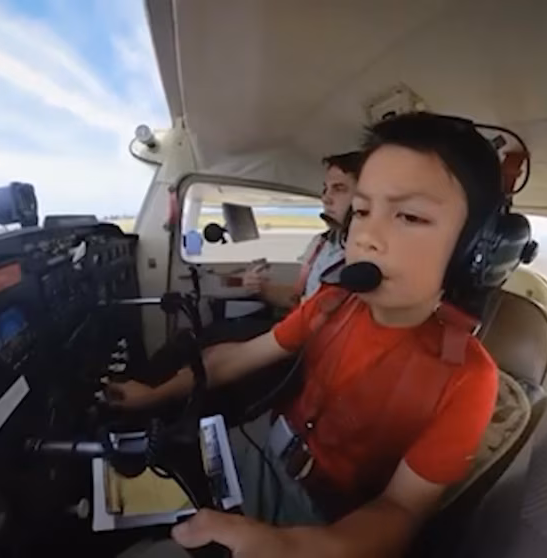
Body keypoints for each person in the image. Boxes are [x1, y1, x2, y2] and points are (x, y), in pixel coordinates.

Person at [107, 112, 502, 558]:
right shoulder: (332, 302)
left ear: (472, 252)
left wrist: (288, 546)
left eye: (409, 216)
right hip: (252, 449)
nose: (366, 237)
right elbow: (236, 358)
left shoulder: (468, 378)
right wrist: (152, 395)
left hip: (317, 520)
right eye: (362, 211)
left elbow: (400, 510)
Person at [241, 151, 363, 309]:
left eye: (339, 189)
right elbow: (297, 298)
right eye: (326, 189)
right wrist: (261, 288)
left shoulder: (372, 252)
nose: (325, 198)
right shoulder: (320, 244)